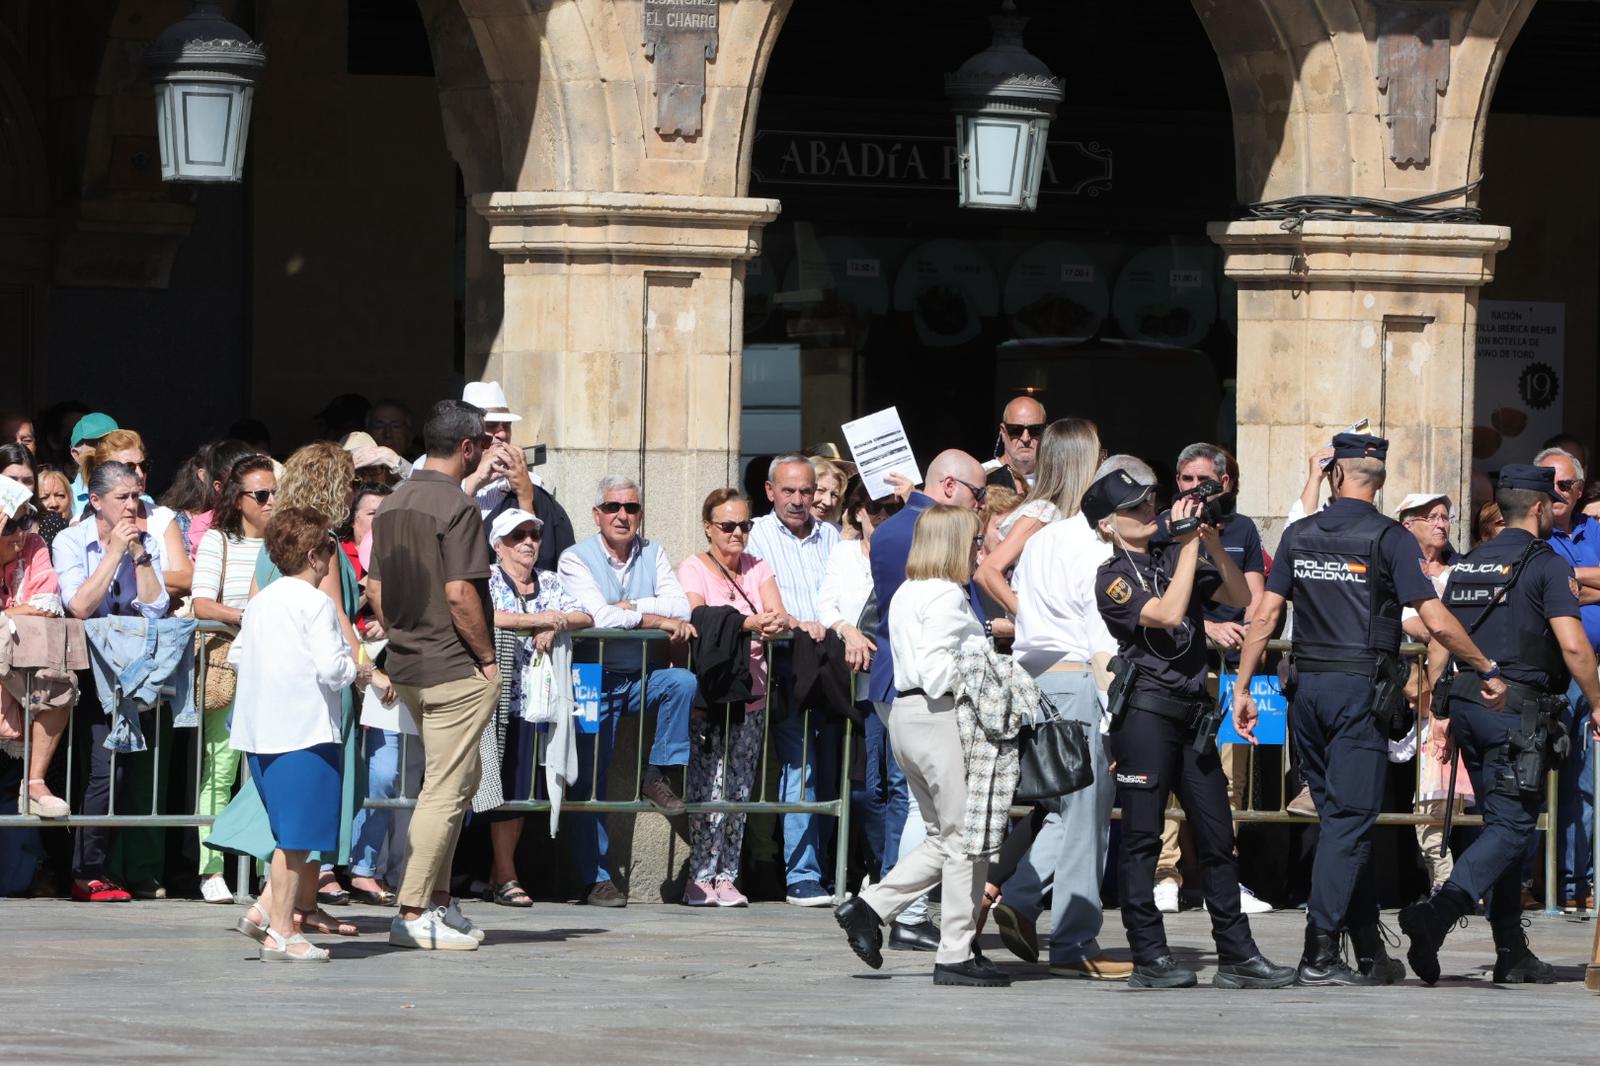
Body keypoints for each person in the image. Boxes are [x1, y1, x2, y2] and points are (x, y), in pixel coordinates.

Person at [1232, 432, 1507, 986]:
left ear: (1336, 474)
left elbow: (1264, 614)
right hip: (1358, 695)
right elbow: (1434, 617)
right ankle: (1318, 953)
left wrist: (1241, 686)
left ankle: (1364, 948)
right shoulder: (1389, 538)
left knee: (1339, 820)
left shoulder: (1299, 533)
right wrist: (1485, 665)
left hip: (1306, 692)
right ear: (1378, 480)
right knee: (1350, 824)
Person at [1086, 468, 1296, 989]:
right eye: (1135, 510)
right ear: (1109, 525)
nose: (1148, 513)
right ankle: (1150, 955)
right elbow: (1167, 612)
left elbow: (1239, 594)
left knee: (1217, 833)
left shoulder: (1171, 554)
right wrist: (1183, 546)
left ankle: (1237, 954)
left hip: (1191, 711)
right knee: (1141, 837)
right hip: (1146, 716)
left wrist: (1208, 541)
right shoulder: (1112, 575)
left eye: (1148, 504)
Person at [1401, 464, 1600, 985]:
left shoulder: (1467, 567)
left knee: (1500, 827)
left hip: (1469, 704)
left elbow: (1443, 639)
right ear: (1538, 508)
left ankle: (1511, 951)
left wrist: (1439, 713)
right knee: (1514, 827)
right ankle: (1437, 915)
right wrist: (1599, 703)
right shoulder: (1546, 564)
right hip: (1517, 708)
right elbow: (1575, 645)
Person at [834, 504, 1010, 986]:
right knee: (965, 843)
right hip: (939, 716)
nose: (979, 550)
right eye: (974, 541)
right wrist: (987, 672)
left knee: (945, 837)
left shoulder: (909, 591)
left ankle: (871, 906)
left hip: (908, 717)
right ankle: (955, 953)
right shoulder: (948, 597)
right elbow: (937, 672)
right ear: (955, 543)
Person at [988, 455, 1141, 981]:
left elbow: (1026, 603)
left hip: (1038, 674)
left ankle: (1024, 898)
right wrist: (1110, 718)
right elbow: (1101, 638)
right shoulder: (1097, 551)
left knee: (1064, 806)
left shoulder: (1047, 536)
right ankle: (1075, 940)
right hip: (1076, 677)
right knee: (1087, 818)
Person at [367, 400, 498, 950]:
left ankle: (437, 903)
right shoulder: (458, 505)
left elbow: (374, 587)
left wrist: (401, 636)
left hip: (411, 662)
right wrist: (488, 659)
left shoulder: (393, 502)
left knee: (457, 781)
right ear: (467, 448)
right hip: (453, 665)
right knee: (445, 789)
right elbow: (460, 592)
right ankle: (414, 909)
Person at [227, 506, 365, 963]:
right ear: (313, 554)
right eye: (330, 547)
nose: (333, 555)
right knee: (296, 841)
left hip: (261, 734)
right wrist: (359, 668)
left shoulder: (262, 600)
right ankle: (283, 930)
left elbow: (238, 656)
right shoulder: (316, 603)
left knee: (290, 837)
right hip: (303, 733)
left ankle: (274, 922)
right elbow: (333, 668)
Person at [862, 449, 989, 945]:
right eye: (978, 498)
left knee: (934, 820)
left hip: (905, 688)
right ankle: (911, 919)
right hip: (922, 695)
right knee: (938, 822)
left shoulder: (903, 530)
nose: (980, 514)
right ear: (953, 487)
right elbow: (941, 651)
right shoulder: (916, 545)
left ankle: (883, 908)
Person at [557, 474, 697, 906]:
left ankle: (656, 774)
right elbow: (597, 617)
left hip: (639, 676)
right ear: (597, 514)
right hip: (590, 677)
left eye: (631, 508)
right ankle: (596, 877)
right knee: (588, 780)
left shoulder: (653, 552)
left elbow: (683, 606)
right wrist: (654, 620)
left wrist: (633, 607)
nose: (623, 515)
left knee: (682, 682)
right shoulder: (574, 557)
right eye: (614, 507)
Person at [1150, 443, 1270, 917]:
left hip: (1230, 670)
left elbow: (1255, 599)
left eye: (1202, 480)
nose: (1193, 489)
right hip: (1180, 664)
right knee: (1169, 776)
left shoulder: (1240, 529)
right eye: (1184, 480)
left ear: (1224, 484)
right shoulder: (1160, 524)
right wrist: (1208, 627)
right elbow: (1155, 598)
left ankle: (1225, 875)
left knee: (1228, 780)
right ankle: (1165, 874)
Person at [52, 460, 170, 903]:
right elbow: (79, 605)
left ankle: (102, 867)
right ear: (96, 501)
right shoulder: (69, 541)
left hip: (130, 672)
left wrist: (138, 553)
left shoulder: (145, 539)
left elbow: (155, 606)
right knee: (102, 768)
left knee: (123, 773)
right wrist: (114, 554)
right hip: (84, 669)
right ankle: (85, 871)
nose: (130, 506)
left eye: (135, 496)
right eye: (121, 497)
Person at [677, 488, 791, 906]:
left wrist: (773, 623)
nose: (737, 533)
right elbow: (695, 614)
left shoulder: (759, 566)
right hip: (713, 693)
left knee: (740, 788)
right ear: (708, 527)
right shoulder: (693, 568)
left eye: (745, 525)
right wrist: (747, 623)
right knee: (708, 787)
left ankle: (727, 875)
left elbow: (777, 613)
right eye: (727, 525)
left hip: (754, 692)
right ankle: (699, 876)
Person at [475, 507, 591, 907]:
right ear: (498, 545)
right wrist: (535, 619)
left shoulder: (550, 580)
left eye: (533, 535)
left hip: (537, 700)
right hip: (494, 695)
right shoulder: (487, 578)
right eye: (517, 536)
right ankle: (500, 873)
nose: (528, 542)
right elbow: (484, 615)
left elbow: (584, 613)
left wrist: (553, 622)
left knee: (521, 786)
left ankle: (502, 872)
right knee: (495, 782)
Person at [746, 454, 839, 905]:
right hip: (785, 661)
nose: (800, 501)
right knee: (799, 766)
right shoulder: (758, 535)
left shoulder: (832, 536)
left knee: (832, 768)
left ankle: (827, 868)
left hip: (834, 662)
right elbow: (762, 601)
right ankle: (802, 873)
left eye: (806, 491)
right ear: (770, 492)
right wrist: (800, 624)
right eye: (789, 491)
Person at [190, 454, 276, 904]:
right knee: (220, 768)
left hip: (276, 670)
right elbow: (202, 603)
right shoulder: (217, 543)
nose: (271, 502)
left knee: (268, 772)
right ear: (238, 500)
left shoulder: (285, 544)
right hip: (229, 664)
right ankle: (211, 867)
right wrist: (248, 616)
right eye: (262, 495)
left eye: (275, 492)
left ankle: (269, 871)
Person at [818, 483, 902, 891]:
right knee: (871, 784)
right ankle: (879, 865)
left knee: (900, 781)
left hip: (900, 680)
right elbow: (826, 605)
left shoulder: (908, 551)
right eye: (873, 508)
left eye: (891, 507)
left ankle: (893, 872)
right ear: (856, 512)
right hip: (859, 684)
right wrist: (848, 630)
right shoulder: (843, 554)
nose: (882, 515)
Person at [1534, 447, 1599, 912]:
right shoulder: (1530, 536)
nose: (1555, 493)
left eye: (1563, 485)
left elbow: (1566, 586)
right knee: (1546, 780)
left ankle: (1579, 885)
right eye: (1547, 483)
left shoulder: (1595, 531)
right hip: (1554, 669)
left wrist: (1573, 583)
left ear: (1578, 490)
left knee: (1587, 782)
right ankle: (1544, 883)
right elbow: (1549, 587)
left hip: (1593, 668)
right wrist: (1575, 584)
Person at [1394, 492, 1467, 892]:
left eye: (1445, 517)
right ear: (1408, 524)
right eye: (1431, 517)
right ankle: (1437, 878)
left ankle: (1448, 880)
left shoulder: (1463, 570)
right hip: (1405, 698)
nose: (1441, 523)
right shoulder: (1395, 567)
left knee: (1442, 795)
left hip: (1449, 696)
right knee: (1421, 792)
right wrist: (1441, 627)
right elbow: (1419, 625)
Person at [341, 481, 409, 905]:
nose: (381, 522)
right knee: (354, 776)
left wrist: (393, 622)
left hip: (391, 685)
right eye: (372, 514)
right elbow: (336, 614)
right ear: (353, 520)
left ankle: (374, 867)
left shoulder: (405, 555)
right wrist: (371, 601)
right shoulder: (339, 559)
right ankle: (341, 866)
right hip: (350, 680)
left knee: (388, 776)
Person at [974, 417, 1100, 621]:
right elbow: (988, 571)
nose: (1101, 463)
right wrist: (1034, 622)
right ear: (1080, 464)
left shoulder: (1077, 513)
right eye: (1097, 456)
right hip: (1049, 645)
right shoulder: (1042, 512)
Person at [0, 474, 70, 819]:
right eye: (8, 525)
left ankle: (36, 783)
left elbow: (47, 603)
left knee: (64, 680)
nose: (20, 533)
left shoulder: (35, 544)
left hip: (25, 675)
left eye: (25, 520)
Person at [460, 380, 575, 572]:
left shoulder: (529, 481)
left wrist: (524, 492)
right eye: (492, 425)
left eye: (506, 426)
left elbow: (540, 548)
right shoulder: (450, 475)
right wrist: (476, 480)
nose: (502, 434)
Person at [80, 429, 190, 600]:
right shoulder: (82, 524)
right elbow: (83, 591)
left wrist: (141, 574)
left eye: (144, 466)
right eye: (129, 467)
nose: (139, 474)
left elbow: (187, 579)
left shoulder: (162, 517)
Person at [985, 395, 1047, 493]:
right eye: (1016, 430)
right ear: (1003, 432)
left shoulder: (1056, 480)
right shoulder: (981, 477)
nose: (1025, 438)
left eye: (1035, 430)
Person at [65, 412, 118, 516]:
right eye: (96, 443)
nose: (106, 449)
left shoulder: (138, 496)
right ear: (76, 455)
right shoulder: (64, 498)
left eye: (114, 442)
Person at [809, 456, 847, 529]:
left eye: (834, 495)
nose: (828, 502)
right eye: (820, 490)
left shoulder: (838, 535)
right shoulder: (781, 531)